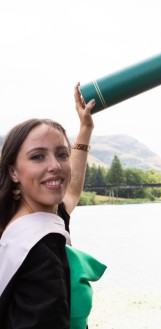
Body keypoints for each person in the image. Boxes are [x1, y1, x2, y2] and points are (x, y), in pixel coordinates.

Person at [0, 85, 106, 328]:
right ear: (13, 171)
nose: (55, 166)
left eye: (61, 154)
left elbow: (72, 190)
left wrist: (85, 129)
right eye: (37, 156)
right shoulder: (39, 249)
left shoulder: (22, 221)